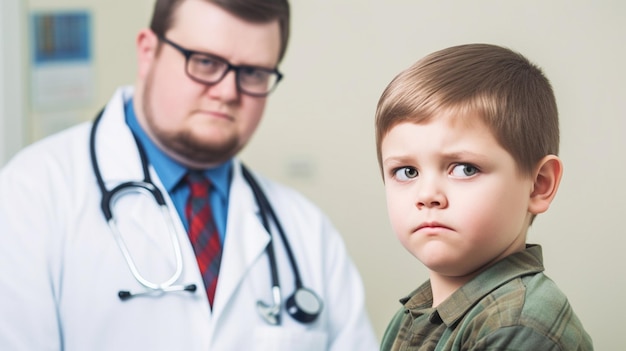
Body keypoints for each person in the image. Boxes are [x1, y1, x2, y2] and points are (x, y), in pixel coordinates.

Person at [0, 0, 378, 350]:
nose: (228, 92)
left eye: (252, 73)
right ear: (148, 52)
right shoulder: (33, 195)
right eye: (205, 62)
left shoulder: (307, 232)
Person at [375, 43, 593, 350]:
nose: (427, 195)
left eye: (464, 169)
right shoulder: (408, 318)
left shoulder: (519, 326)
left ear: (538, 185)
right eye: (407, 172)